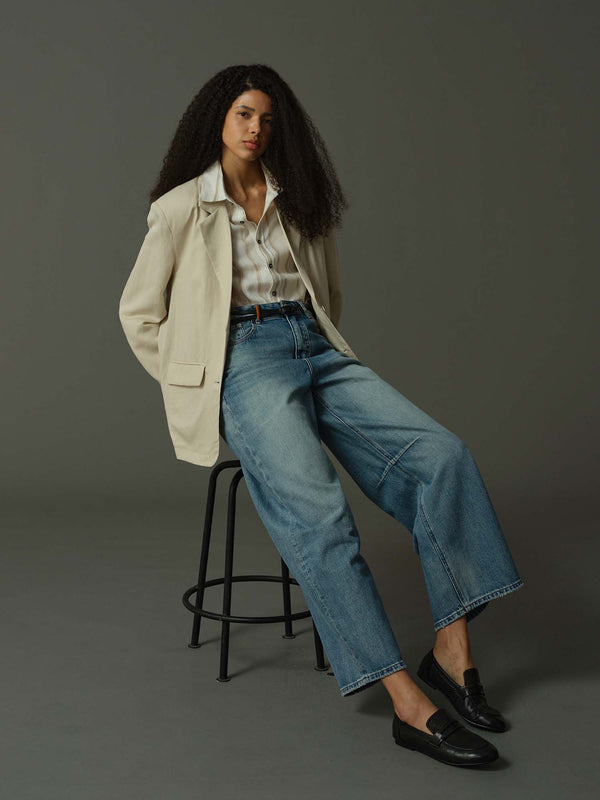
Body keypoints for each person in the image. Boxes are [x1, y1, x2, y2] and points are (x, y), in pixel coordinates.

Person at [118, 63, 524, 767]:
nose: (256, 129)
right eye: (244, 114)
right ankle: (405, 700)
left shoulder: (294, 196)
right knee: (321, 519)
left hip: (314, 345)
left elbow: (326, 291)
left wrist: (312, 352)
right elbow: (139, 314)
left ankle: (450, 652)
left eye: (267, 119)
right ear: (217, 117)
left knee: (442, 457)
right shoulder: (184, 206)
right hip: (241, 361)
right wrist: (201, 383)